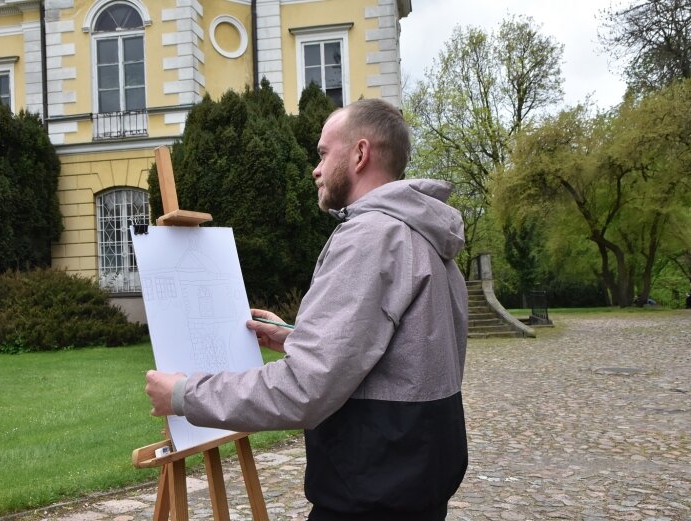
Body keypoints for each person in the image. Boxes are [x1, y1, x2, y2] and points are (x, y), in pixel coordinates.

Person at [145, 98, 468, 521]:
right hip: (417, 480)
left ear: (359, 154)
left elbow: (304, 388)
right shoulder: (425, 235)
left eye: (322, 153)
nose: (315, 169)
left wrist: (186, 395)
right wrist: (295, 337)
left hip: (372, 492)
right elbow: (398, 360)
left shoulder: (370, 238)